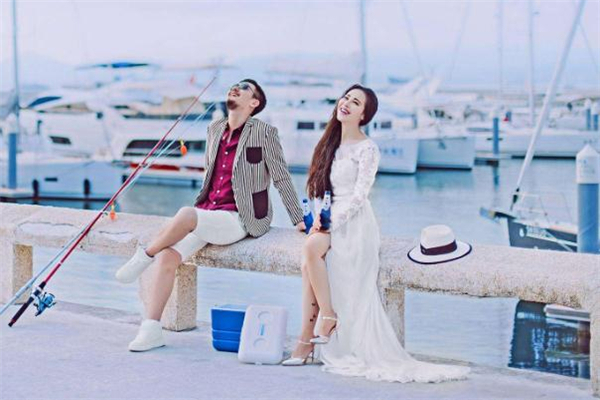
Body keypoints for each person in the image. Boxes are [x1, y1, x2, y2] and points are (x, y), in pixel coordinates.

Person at [282, 84, 471, 383]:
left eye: (355, 102)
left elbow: (359, 196)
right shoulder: (330, 143)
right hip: (331, 218)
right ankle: (311, 334)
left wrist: (329, 224)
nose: (346, 103)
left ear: (364, 114)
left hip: (355, 223)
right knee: (309, 260)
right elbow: (325, 192)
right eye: (346, 97)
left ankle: (322, 322)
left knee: (310, 252)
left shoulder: (367, 148)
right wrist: (315, 219)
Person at [115, 79, 306, 352]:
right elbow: (210, 173)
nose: (236, 88)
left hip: (238, 218)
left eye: (245, 88)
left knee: (185, 214)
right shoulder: (215, 128)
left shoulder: (265, 132)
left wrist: (297, 218)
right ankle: (151, 329)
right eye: (234, 85)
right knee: (168, 257)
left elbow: (281, 178)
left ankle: (144, 256)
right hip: (208, 213)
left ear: (254, 103)